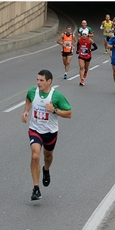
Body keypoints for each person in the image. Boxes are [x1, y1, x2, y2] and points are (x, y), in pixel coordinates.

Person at [21, 69, 72, 201]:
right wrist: (26, 111)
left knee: (48, 156)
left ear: (49, 81)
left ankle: (46, 169)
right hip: (35, 129)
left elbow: (69, 113)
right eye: (37, 80)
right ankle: (36, 188)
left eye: (41, 80)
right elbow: (28, 100)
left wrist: (54, 110)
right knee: (35, 155)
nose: (38, 83)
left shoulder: (57, 96)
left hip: (50, 132)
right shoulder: (33, 91)